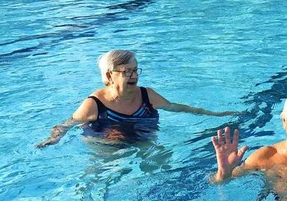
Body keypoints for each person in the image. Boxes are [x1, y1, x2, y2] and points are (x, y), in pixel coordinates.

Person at [37, 49, 237, 147]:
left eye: (135, 70)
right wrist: (52, 139)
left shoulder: (146, 95)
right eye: (126, 72)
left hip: (143, 138)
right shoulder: (94, 104)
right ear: (109, 75)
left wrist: (214, 114)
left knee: (161, 160)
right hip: (108, 144)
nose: (134, 76)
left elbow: (176, 107)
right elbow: (66, 125)